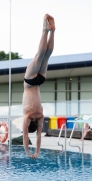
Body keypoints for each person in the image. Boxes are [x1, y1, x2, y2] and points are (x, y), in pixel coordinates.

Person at [22, 14, 55, 159]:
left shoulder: (40, 117)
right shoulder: (27, 116)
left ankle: (52, 32)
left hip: (40, 81)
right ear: (29, 125)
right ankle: (45, 30)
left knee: (46, 56)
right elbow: (25, 137)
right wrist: (28, 152)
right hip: (29, 83)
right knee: (40, 55)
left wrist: (37, 152)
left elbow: (39, 137)